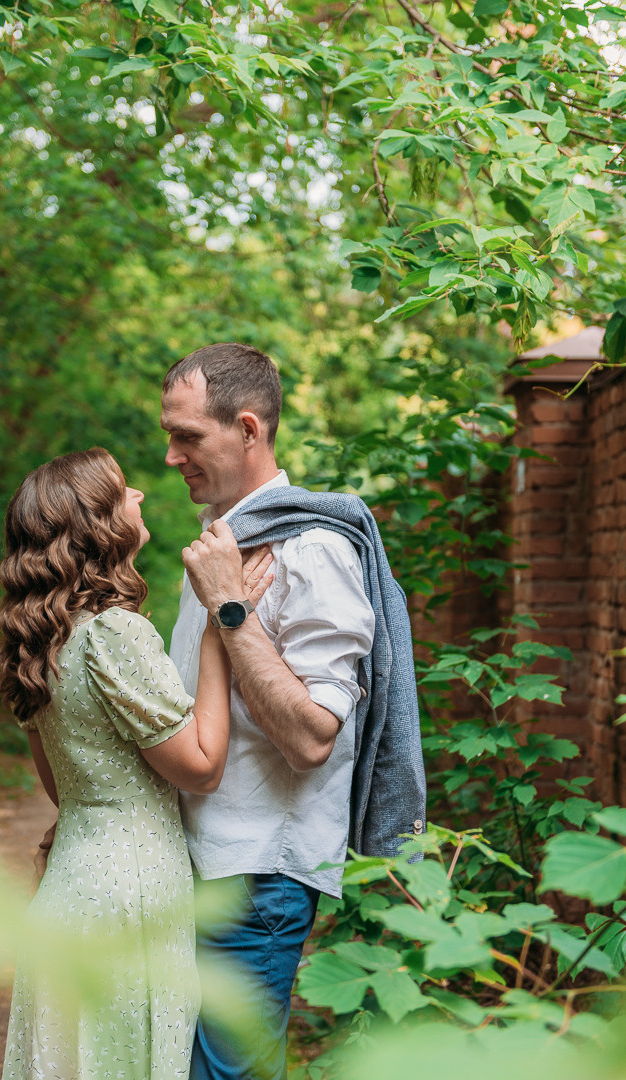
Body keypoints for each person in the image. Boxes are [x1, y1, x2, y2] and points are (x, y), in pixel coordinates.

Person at [160, 343, 426, 1080]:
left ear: (247, 429)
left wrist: (230, 607)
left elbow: (312, 738)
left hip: (257, 875)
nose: (171, 456)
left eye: (188, 436)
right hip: (201, 864)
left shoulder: (312, 550)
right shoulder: (223, 545)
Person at [0, 447, 273, 1080]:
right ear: (96, 523)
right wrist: (218, 628)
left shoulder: (36, 643)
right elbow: (201, 766)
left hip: (67, 891)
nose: (140, 495)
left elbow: (63, 790)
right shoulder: (115, 632)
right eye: (124, 490)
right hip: (132, 896)